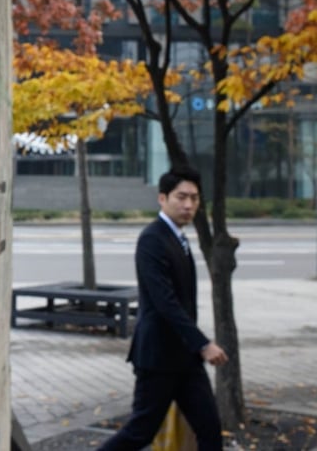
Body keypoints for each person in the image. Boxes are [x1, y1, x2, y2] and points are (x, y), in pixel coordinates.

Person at [98, 167, 228, 451]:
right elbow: (164, 302)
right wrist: (203, 344)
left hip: (185, 357)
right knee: (139, 433)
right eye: (181, 197)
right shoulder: (152, 239)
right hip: (158, 357)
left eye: (194, 198)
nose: (188, 205)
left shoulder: (178, 238)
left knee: (209, 430)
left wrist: (196, 346)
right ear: (162, 198)